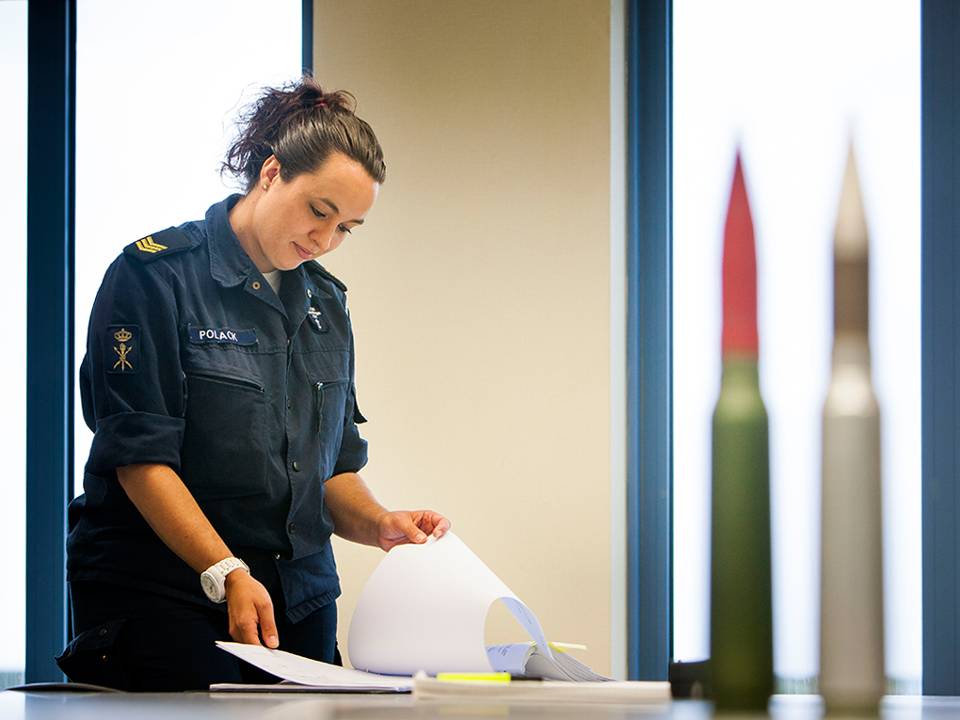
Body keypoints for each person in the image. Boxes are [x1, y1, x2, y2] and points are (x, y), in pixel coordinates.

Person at [57, 76, 450, 691]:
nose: (325, 240)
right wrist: (226, 570)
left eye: (346, 228)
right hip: (167, 595)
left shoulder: (326, 304)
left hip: (297, 601)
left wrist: (378, 523)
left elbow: (329, 468)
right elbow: (139, 459)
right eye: (319, 211)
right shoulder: (154, 277)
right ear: (271, 173)